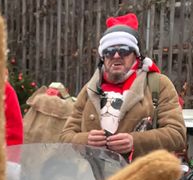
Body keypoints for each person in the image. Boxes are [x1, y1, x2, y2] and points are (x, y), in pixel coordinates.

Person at [60, 14, 185, 161]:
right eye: (109, 51)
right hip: (93, 179)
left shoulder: (158, 84)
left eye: (124, 50)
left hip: (139, 178)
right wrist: (85, 140)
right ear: (103, 58)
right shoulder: (90, 89)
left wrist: (135, 141)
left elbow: (177, 134)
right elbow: (65, 137)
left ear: (136, 55)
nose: (117, 55)